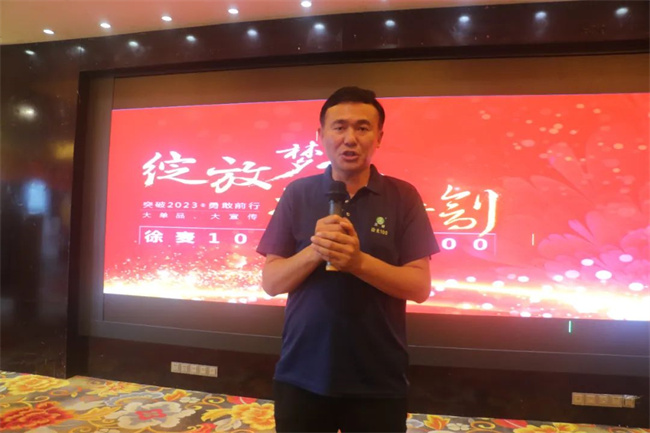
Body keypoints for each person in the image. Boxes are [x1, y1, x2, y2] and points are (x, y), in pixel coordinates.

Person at [256, 86, 439, 432]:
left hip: (378, 377)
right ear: (321, 135)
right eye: (339, 127)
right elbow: (271, 282)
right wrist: (316, 249)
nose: (350, 138)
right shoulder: (298, 193)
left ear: (379, 137)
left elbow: (419, 286)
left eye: (362, 127)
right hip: (301, 373)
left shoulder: (403, 196)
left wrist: (358, 263)